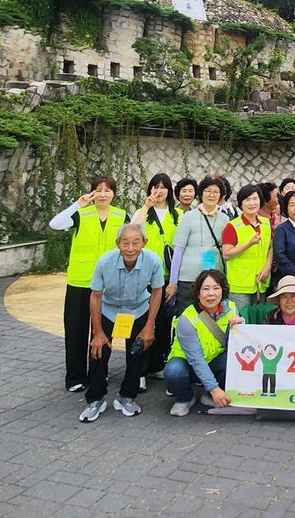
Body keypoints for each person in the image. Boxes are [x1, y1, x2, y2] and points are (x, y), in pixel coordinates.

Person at [78, 224, 163, 422]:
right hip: (109, 310)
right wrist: (98, 332)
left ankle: (127, 396)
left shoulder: (153, 261)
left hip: (138, 310)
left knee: (138, 354)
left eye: (136, 242)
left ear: (144, 243)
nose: (130, 248)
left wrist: (150, 325)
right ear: (118, 244)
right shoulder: (104, 262)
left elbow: (158, 291)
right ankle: (96, 399)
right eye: (125, 243)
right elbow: (96, 296)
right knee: (98, 351)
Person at [49, 175, 127, 392]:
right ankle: (75, 377)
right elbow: (54, 224)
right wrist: (78, 204)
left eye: (107, 190)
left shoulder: (121, 216)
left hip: (108, 284)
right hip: (79, 282)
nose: (102, 194)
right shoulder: (81, 215)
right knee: (75, 330)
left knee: (101, 331)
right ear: (92, 193)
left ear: (113, 193)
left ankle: (97, 374)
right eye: (98, 190)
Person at [164, 269, 243, 416]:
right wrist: (215, 389)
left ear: (223, 290)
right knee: (173, 372)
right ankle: (185, 398)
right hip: (188, 363)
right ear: (198, 292)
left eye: (216, 288)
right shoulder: (187, 319)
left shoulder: (231, 308)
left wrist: (240, 324)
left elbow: (238, 344)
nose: (211, 294)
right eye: (206, 289)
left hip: (214, 361)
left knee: (235, 360)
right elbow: (196, 359)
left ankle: (208, 395)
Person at [130, 173, 179, 385]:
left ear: (169, 190)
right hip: (144, 277)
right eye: (155, 186)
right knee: (142, 322)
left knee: (163, 322)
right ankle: (139, 371)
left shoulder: (177, 215)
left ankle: (157, 365)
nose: (159, 190)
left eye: (164, 187)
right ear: (150, 189)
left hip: (167, 278)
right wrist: (146, 206)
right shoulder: (143, 213)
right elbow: (133, 230)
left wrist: (175, 281)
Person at [168, 175, 231, 317]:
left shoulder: (225, 219)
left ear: (221, 196)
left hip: (213, 280)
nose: (211, 195)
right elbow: (178, 250)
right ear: (201, 193)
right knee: (187, 317)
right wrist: (173, 282)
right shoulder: (188, 217)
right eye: (208, 191)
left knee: (211, 318)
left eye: (216, 192)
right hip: (188, 279)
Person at [221, 184, 273, 311]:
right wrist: (248, 244)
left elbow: (270, 247)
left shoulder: (266, 223)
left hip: (260, 283)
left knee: (258, 324)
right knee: (241, 322)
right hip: (240, 286)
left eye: (255, 199)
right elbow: (226, 254)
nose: (252, 203)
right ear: (241, 203)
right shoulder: (232, 226)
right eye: (247, 200)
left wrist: (268, 267)